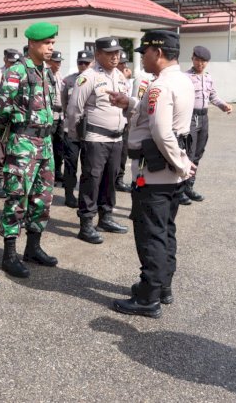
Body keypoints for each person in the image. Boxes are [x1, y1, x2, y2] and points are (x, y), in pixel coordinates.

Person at [107, 30, 195, 318]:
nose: (142, 57)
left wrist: (180, 163)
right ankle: (162, 286)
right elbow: (155, 115)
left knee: (150, 235)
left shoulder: (159, 87)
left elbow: (161, 131)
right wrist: (129, 103)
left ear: (157, 53)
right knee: (165, 230)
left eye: (144, 52)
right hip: (170, 173)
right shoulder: (180, 80)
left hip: (156, 173)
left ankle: (148, 297)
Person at [0, 22, 59, 278]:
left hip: (46, 144)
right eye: (46, 43)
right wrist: (16, 126)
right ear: (32, 43)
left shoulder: (47, 72)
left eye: (52, 43)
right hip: (23, 143)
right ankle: (9, 255)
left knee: (43, 199)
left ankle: (33, 248)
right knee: (17, 198)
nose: (50, 48)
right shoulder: (17, 71)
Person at [67, 37, 129, 244]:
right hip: (95, 138)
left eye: (117, 53)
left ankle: (106, 216)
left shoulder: (120, 76)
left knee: (110, 179)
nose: (115, 57)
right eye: (110, 53)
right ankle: (86, 224)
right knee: (92, 180)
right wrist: (76, 135)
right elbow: (75, 107)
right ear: (98, 54)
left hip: (116, 138)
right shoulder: (88, 77)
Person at [184, 45, 232, 202]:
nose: (200, 64)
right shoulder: (185, 77)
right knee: (187, 152)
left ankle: (189, 187)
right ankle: (180, 190)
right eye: (197, 60)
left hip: (203, 117)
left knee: (198, 152)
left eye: (204, 61)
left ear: (207, 62)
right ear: (192, 59)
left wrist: (223, 106)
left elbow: (213, 96)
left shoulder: (209, 78)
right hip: (190, 117)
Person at [60, 50, 93, 208]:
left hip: (91, 130)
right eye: (81, 62)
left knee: (89, 165)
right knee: (70, 163)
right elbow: (65, 103)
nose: (83, 66)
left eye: (87, 63)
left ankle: (85, 196)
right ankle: (68, 194)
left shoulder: (97, 80)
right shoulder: (69, 81)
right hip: (72, 129)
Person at [0, 48, 21, 198]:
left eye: (15, 62)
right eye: (10, 62)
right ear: (5, 60)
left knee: (11, 152)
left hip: (14, 120)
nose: (12, 65)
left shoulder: (20, 74)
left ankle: (9, 181)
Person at [46, 50, 65, 189]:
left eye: (59, 62)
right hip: (50, 115)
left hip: (61, 116)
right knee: (50, 146)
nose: (58, 64)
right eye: (56, 61)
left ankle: (58, 171)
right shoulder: (45, 74)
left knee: (59, 146)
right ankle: (49, 173)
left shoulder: (60, 75)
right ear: (49, 61)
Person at [116, 50, 134, 193]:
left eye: (124, 63)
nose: (123, 65)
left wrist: (127, 79)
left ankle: (119, 179)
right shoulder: (112, 77)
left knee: (123, 152)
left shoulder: (126, 79)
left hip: (125, 121)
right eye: (120, 63)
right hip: (114, 121)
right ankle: (112, 179)